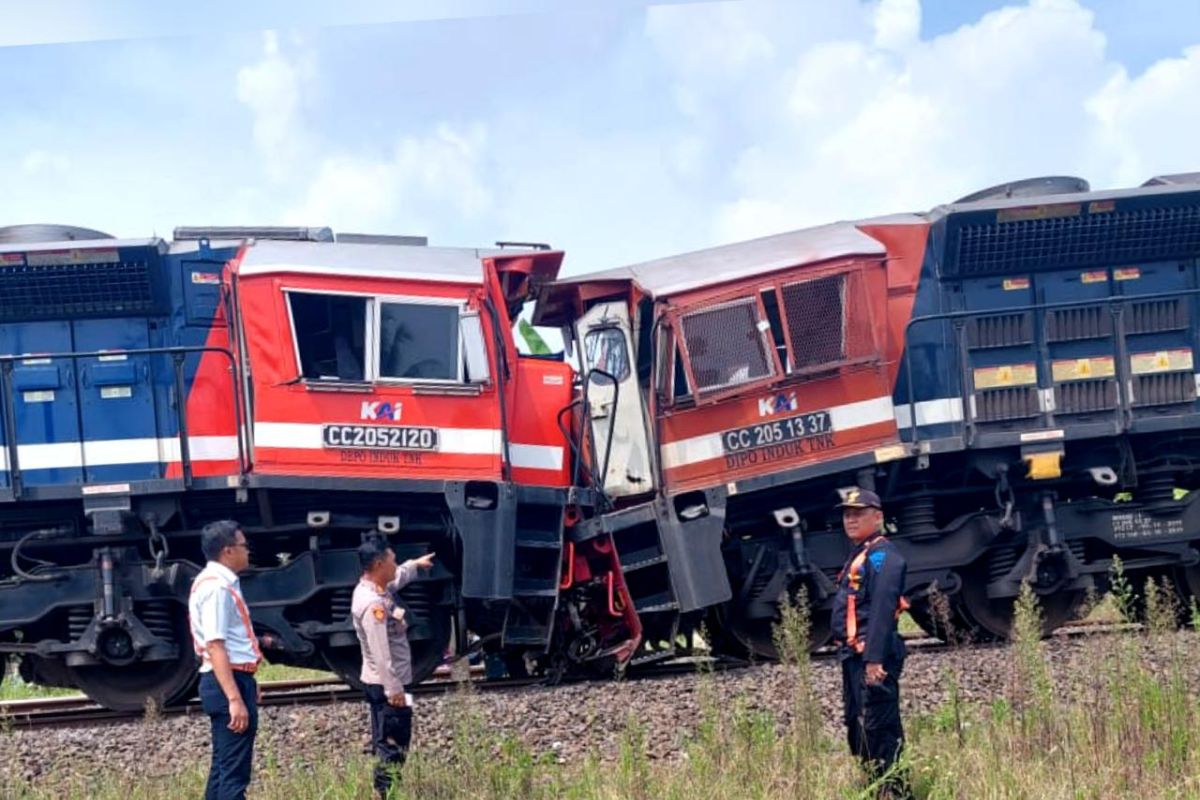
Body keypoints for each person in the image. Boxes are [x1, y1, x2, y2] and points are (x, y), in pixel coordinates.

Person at [830, 489, 911, 799]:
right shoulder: (861, 552)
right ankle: (876, 787)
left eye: (858, 513)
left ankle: (897, 791)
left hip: (873, 657)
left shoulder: (883, 557)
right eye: (847, 513)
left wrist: (874, 661)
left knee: (881, 728)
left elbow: (881, 608)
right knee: (858, 726)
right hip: (854, 655)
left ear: (877, 516)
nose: (850, 519)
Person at [352, 535, 436, 798]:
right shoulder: (373, 605)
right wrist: (395, 690)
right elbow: (381, 652)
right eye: (392, 560)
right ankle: (385, 793)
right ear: (378, 564)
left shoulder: (374, 587)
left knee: (388, 740)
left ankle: (386, 791)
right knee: (393, 743)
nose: (395, 564)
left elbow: (396, 577)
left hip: (388, 682)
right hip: (390, 685)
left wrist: (415, 564)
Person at [188, 520, 262, 800]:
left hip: (230, 679)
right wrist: (234, 697)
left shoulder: (216, 583)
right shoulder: (217, 588)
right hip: (226, 683)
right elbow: (216, 645)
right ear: (228, 551)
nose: (248, 551)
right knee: (233, 777)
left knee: (222, 769)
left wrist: (245, 680)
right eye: (244, 546)